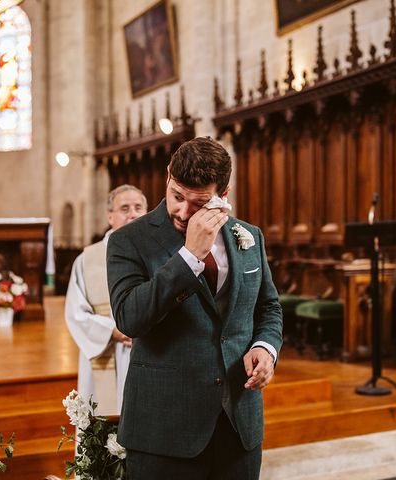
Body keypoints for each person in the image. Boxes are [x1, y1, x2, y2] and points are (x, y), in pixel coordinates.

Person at [107, 137, 283, 479]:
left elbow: (269, 308)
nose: (183, 212)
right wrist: (189, 258)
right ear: (168, 176)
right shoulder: (130, 240)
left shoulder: (249, 236)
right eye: (177, 196)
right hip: (164, 431)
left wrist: (265, 348)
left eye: (199, 202)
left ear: (224, 194)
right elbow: (129, 318)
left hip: (238, 427)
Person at [65, 184, 147, 414]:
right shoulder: (87, 259)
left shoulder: (158, 253)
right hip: (107, 349)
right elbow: (75, 312)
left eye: (138, 207)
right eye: (124, 208)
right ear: (110, 216)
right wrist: (113, 330)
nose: (132, 213)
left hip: (149, 350)